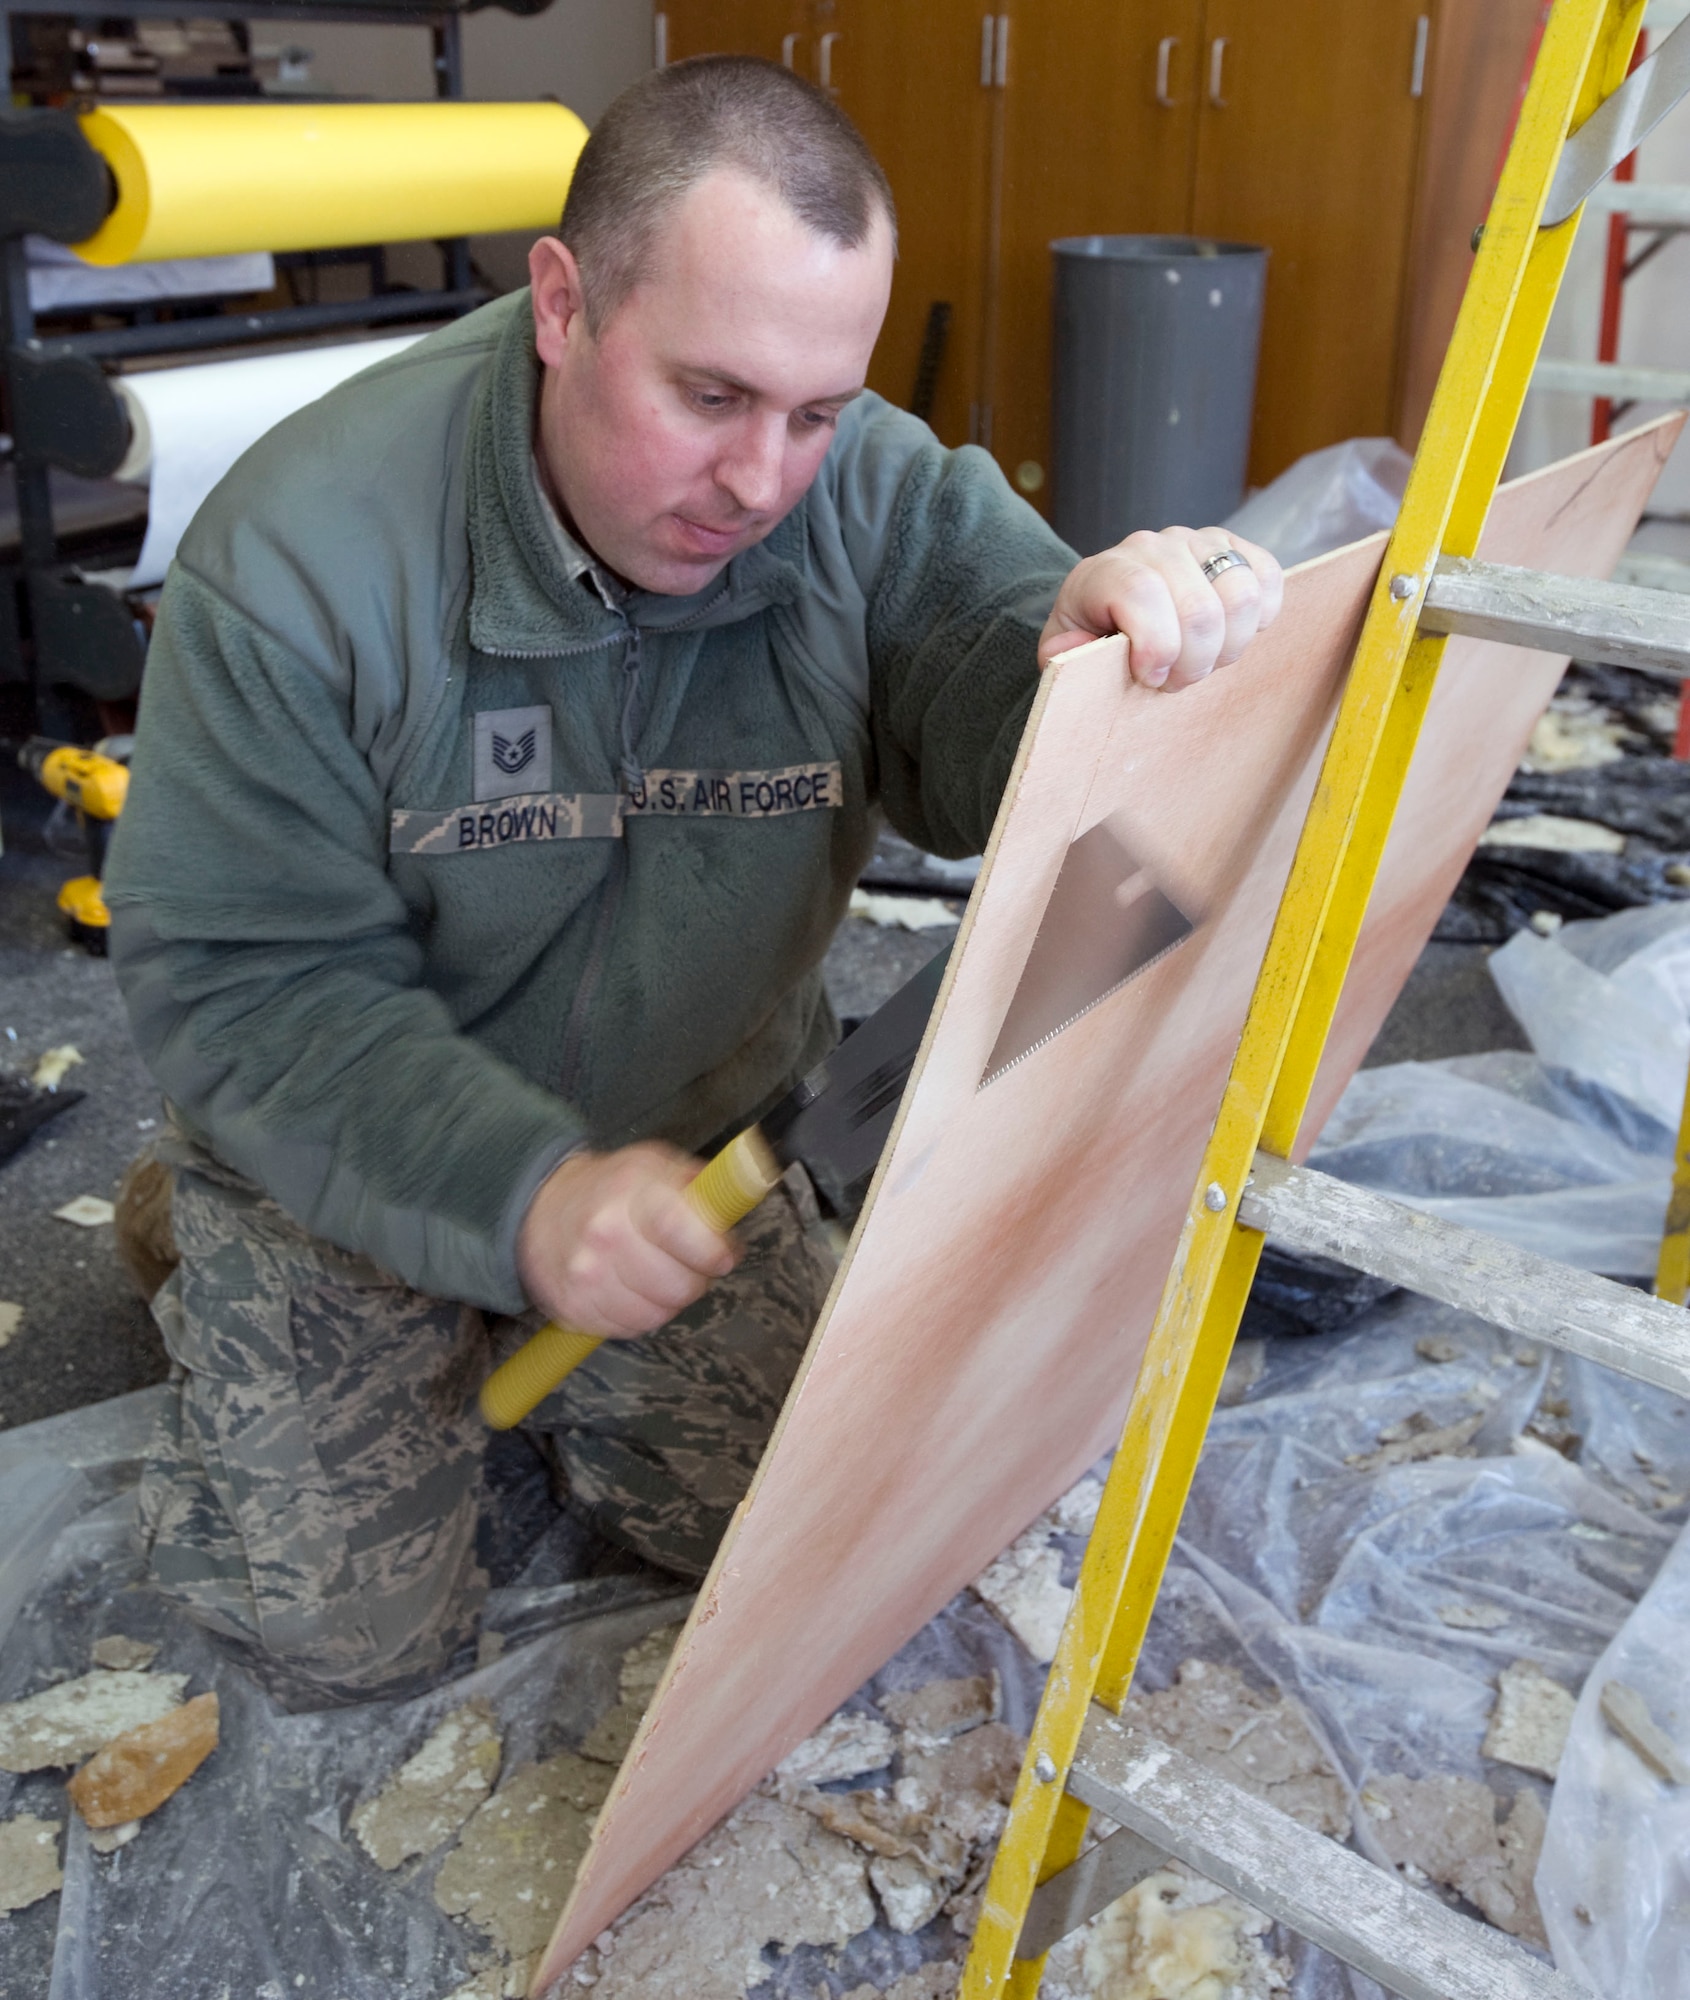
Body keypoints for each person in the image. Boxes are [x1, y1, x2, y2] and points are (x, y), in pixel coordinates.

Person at [104, 55, 1281, 1701]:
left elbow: (1030, 759)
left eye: (814, 411)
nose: (760, 483)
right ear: (564, 306)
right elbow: (246, 975)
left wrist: (1129, 668)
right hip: (368, 1136)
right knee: (346, 1641)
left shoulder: (864, 493)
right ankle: (204, 1213)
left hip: (696, 1161)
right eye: (711, 396)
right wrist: (524, 1199)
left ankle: (530, 1293)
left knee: (807, 1550)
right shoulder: (306, 550)